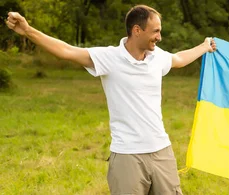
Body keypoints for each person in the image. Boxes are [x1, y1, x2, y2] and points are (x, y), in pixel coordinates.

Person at [5, 5, 217, 194]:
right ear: (137, 30)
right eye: (155, 31)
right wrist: (27, 31)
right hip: (127, 156)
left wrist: (204, 46)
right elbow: (67, 51)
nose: (159, 37)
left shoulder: (157, 57)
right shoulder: (109, 58)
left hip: (162, 151)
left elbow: (178, 59)